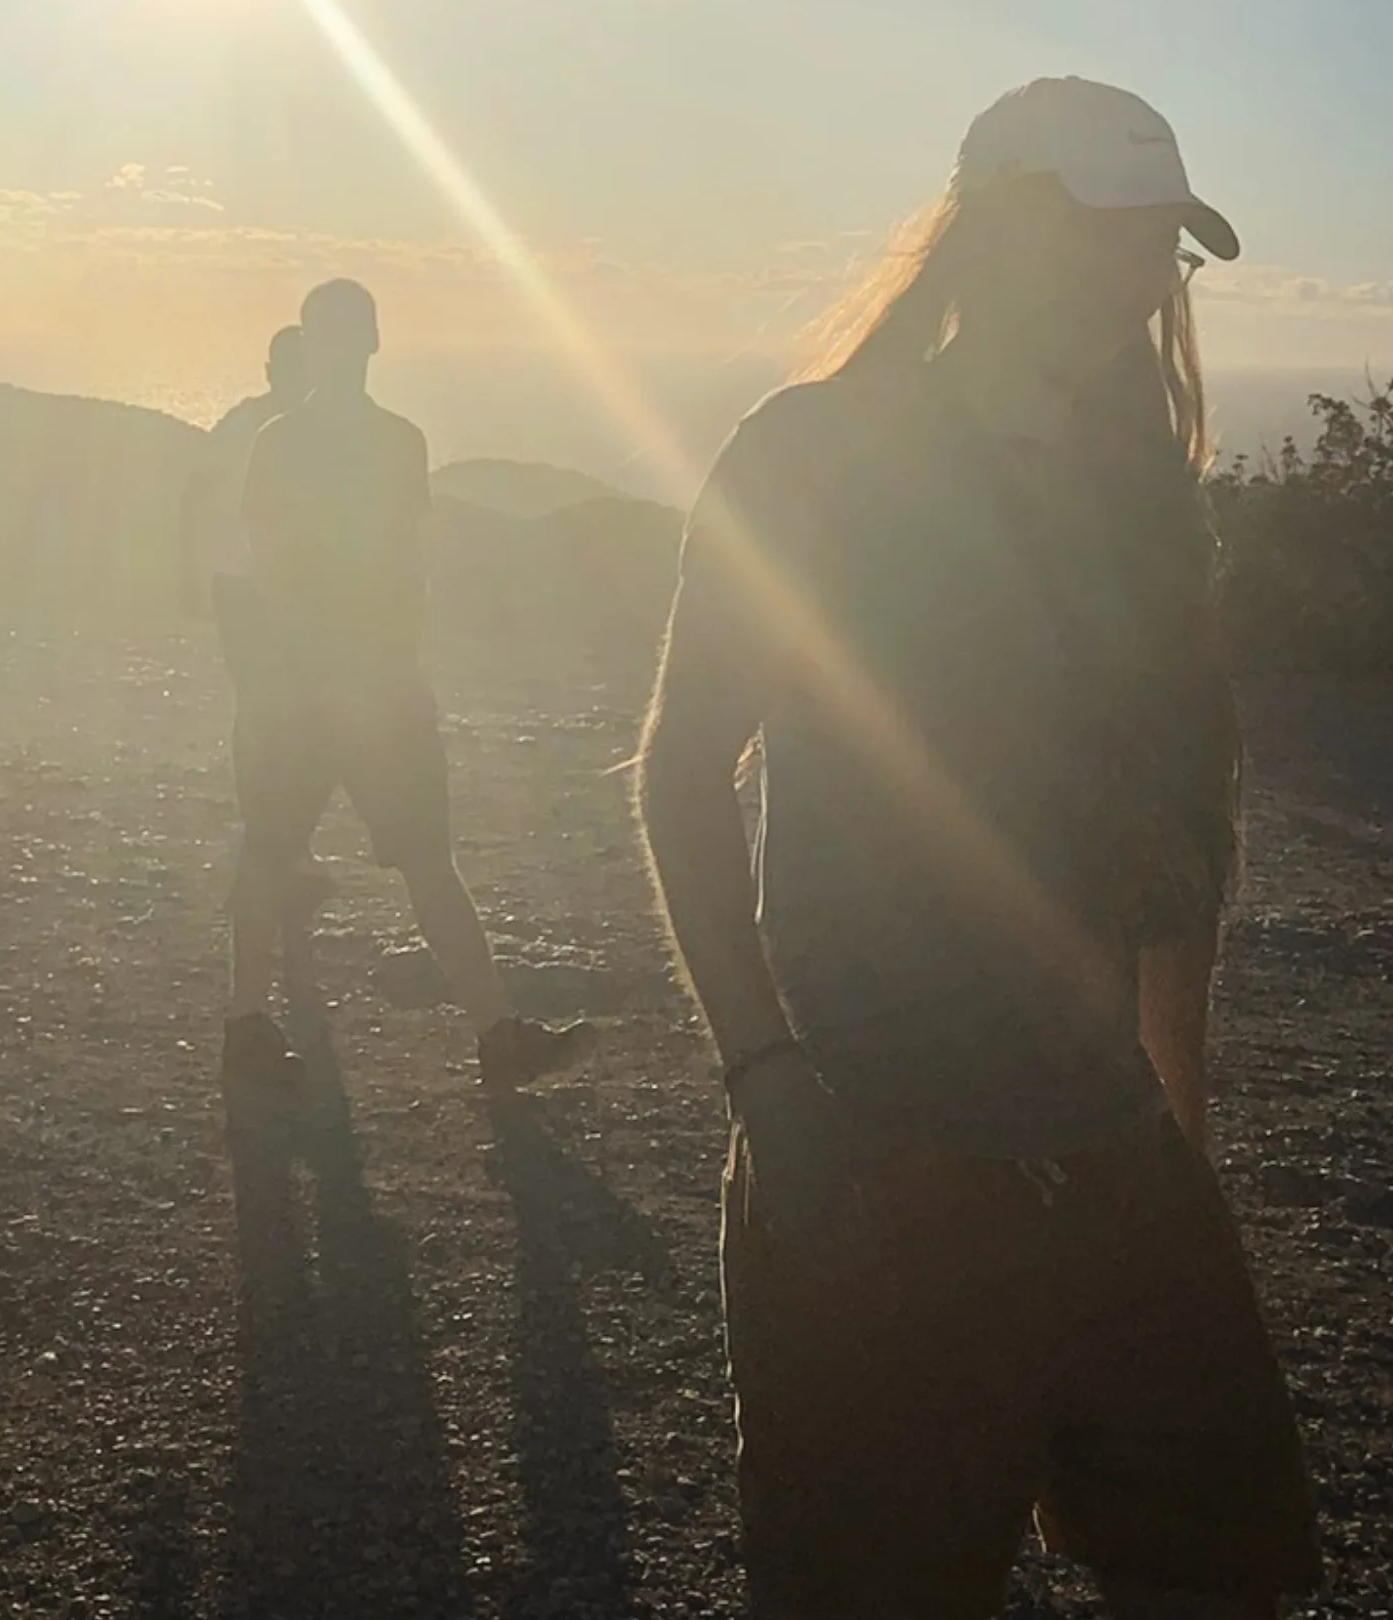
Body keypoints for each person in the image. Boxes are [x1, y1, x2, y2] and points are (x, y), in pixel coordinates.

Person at [636, 78, 1318, 1617]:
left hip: (1111, 1153)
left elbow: (1169, 856)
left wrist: (1174, 1139)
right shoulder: (811, 458)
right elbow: (682, 770)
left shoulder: (1137, 492)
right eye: (1111, 238)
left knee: (1225, 1574)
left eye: (1165, 249)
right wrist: (769, 1089)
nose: (1145, 281)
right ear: (991, 233)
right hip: (881, 1159)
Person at [230, 277, 588, 1106]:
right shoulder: (400, 443)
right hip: (377, 685)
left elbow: (267, 559)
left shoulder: (279, 444)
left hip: (300, 687)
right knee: (424, 860)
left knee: (271, 851)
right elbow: (405, 560)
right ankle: (497, 1036)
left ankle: (245, 1027)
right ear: (373, 342)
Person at [192, 326, 339, 1093]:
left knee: (267, 711)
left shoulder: (244, 424)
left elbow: (199, 496)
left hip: (238, 590)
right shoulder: (293, 433)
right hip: (267, 594)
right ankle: (274, 846)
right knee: (283, 717)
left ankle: (278, 847)